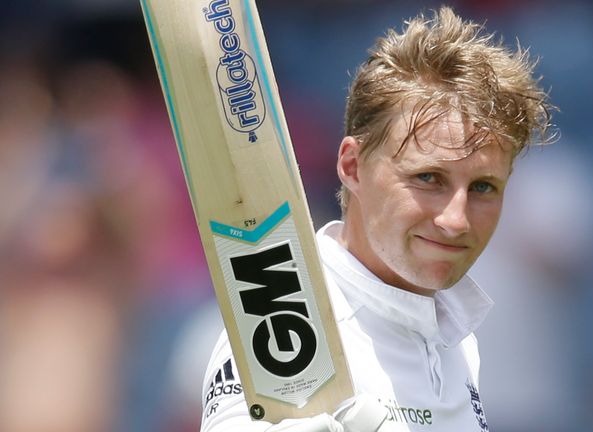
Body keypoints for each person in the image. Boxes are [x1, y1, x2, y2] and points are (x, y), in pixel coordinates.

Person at [201, 6, 552, 432]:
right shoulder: (280, 322)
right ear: (352, 167)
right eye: (428, 178)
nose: (456, 219)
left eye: (482, 187)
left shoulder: (458, 338)